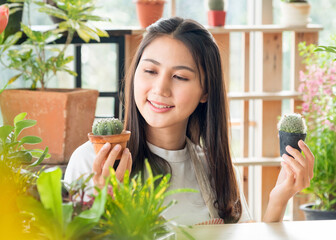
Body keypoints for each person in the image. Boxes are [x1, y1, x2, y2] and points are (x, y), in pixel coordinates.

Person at [64, 17, 314, 225]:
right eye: (150, 71)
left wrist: (279, 199)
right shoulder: (92, 162)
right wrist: (103, 204)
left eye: (180, 77)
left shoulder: (216, 169)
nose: (160, 88)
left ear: (205, 91)